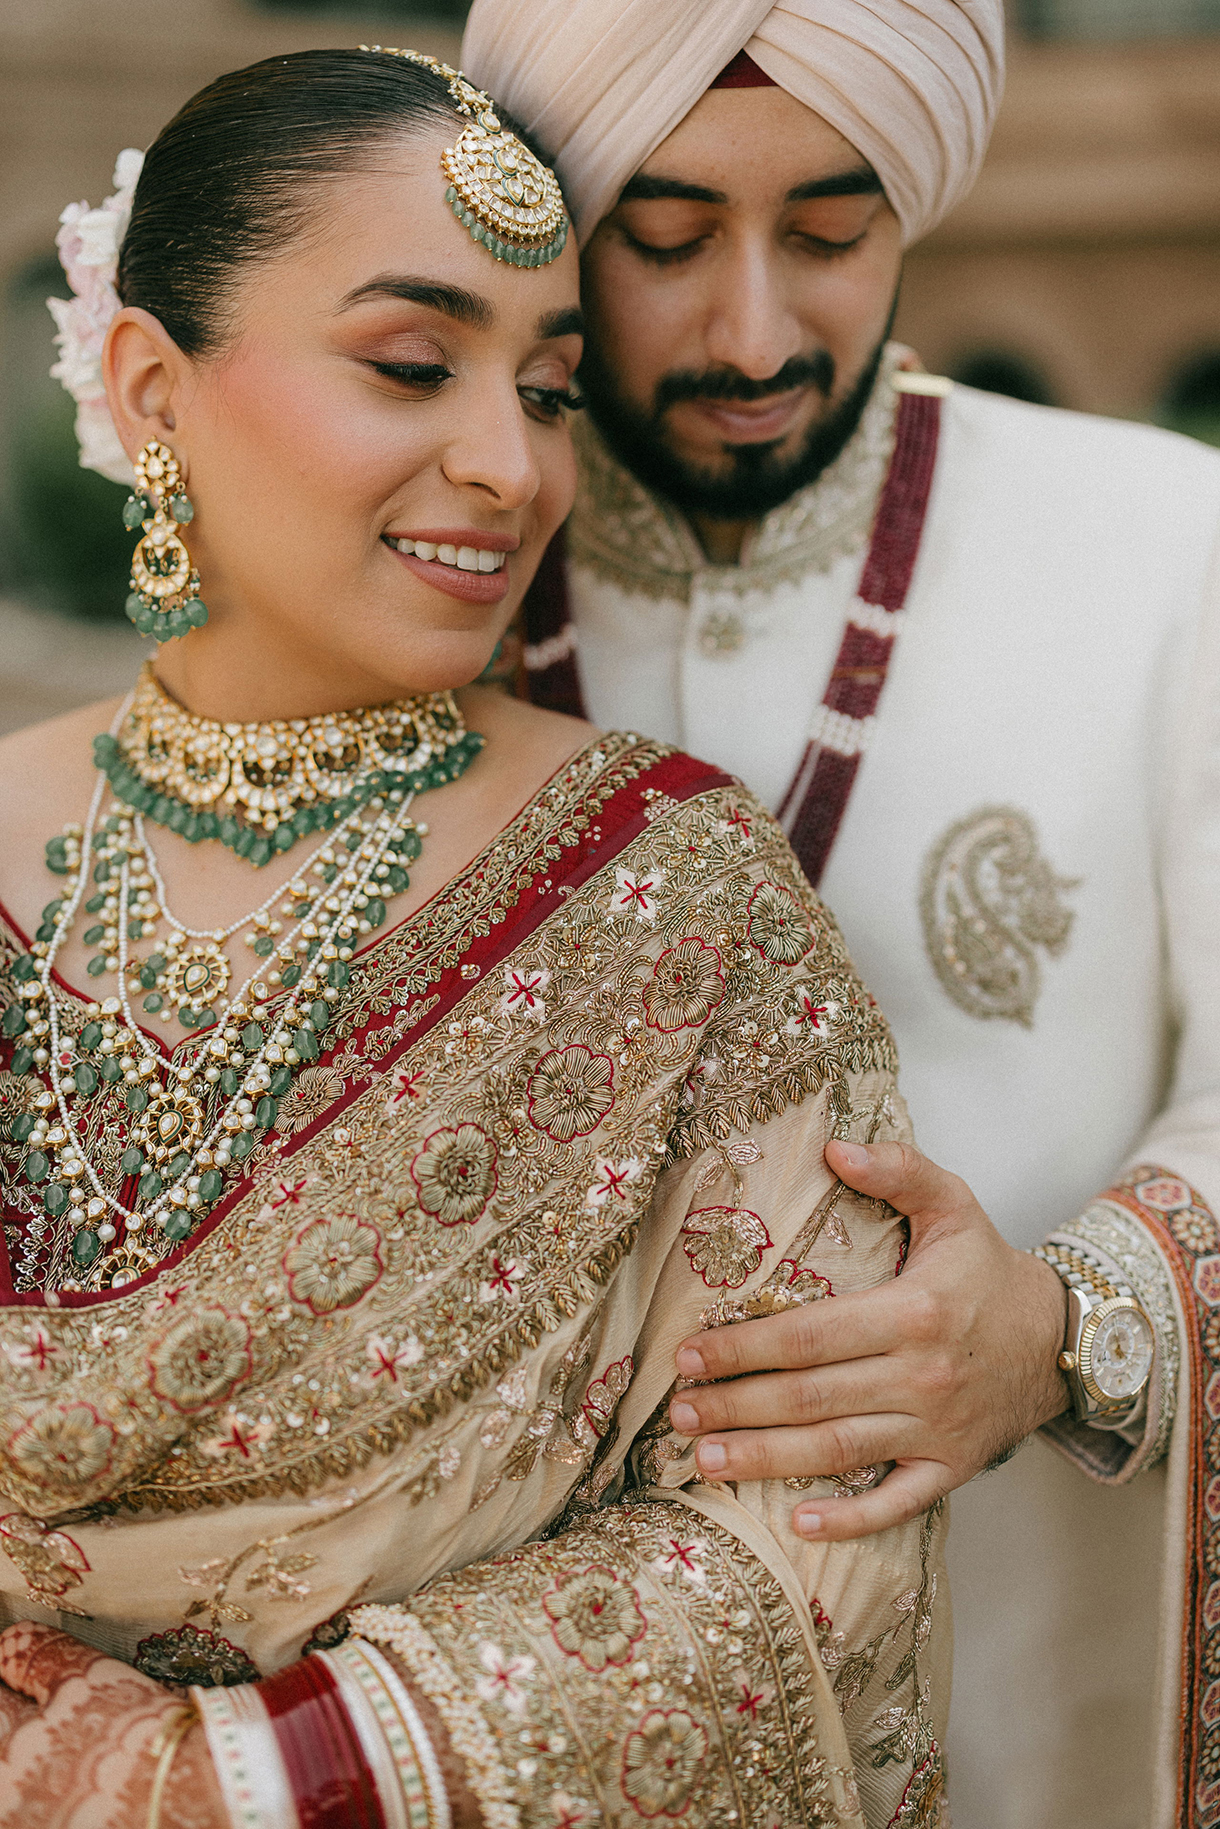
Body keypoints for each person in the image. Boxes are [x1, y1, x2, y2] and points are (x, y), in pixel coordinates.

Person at [0, 45, 954, 1829]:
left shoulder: (671, 891)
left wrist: (220, 1786)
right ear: (149, 388)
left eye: (551, 386)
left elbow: (814, 1552)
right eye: (413, 365)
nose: (510, 465)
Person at [460, 4, 1220, 1825]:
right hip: (509, 1715)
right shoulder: (424, 567)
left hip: (1032, 1696)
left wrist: (1059, 1320)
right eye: (660, 239)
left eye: (830, 231)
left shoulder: (1167, 545)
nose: (751, 329)